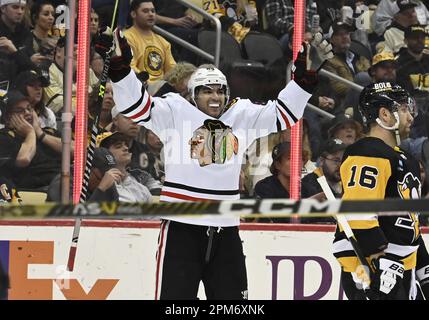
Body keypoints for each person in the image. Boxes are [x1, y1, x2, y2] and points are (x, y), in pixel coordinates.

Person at [95, 25, 332, 299]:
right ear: (193, 95)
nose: (215, 97)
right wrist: (120, 69)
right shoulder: (174, 110)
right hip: (181, 229)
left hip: (226, 229)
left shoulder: (241, 114)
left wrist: (303, 84)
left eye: (220, 91)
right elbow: (135, 106)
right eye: (207, 91)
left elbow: (284, 114)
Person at [333, 81, 429, 300]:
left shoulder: (404, 158)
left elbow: (409, 221)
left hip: (401, 267)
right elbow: (359, 213)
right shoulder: (368, 152)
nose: (410, 116)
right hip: (372, 267)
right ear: (385, 114)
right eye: (403, 109)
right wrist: (378, 259)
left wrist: (423, 265)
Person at [0, 90, 64, 189]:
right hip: (41, 189)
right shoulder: (4, 137)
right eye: (20, 110)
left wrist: (40, 134)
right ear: (8, 118)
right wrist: (30, 133)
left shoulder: (48, 132)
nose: (27, 113)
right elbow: (24, 159)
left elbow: (78, 151)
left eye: (29, 108)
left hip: (67, 178)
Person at [124, 0, 176, 84]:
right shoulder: (126, 37)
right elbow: (129, 67)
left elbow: (173, 70)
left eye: (153, 11)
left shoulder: (163, 41)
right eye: (145, 11)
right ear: (133, 14)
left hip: (162, 88)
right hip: (139, 86)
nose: (151, 14)